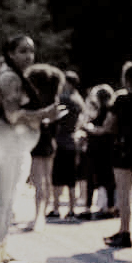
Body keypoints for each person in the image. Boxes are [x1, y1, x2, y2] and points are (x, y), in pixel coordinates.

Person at [0, 35, 66, 263]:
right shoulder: (10, 78)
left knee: (9, 202)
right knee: (2, 201)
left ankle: (1, 251)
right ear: (10, 53)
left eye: (31, 51)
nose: (29, 56)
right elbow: (12, 115)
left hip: (14, 144)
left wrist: (44, 115)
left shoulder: (17, 77)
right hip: (6, 143)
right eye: (22, 51)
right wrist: (44, 115)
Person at [86, 61, 132, 248]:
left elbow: (109, 126)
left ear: (126, 78)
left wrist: (92, 129)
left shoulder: (121, 99)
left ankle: (125, 232)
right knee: (127, 192)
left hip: (122, 150)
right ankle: (122, 230)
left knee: (123, 195)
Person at [25, 64, 65, 232]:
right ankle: (41, 215)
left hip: (36, 142)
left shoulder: (35, 101)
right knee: (46, 181)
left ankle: (37, 217)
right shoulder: (53, 101)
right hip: (49, 141)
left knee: (38, 181)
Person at [48, 70, 84, 220]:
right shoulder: (78, 100)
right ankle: (71, 209)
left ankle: (56, 208)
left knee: (57, 177)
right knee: (71, 179)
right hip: (72, 141)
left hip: (60, 140)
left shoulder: (62, 99)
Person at [80, 83, 117, 220]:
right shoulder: (109, 110)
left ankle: (89, 208)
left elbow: (103, 129)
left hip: (98, 149)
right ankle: (109, 207)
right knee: (107, 179)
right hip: (107, 149)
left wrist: (88, 128)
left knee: (92, 177)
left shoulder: (104, 111)